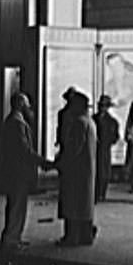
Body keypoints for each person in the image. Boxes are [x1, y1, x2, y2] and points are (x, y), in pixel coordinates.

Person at [0, 92, 52, 251]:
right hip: (18, 172)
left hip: (14, 170)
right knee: (17, 206)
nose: (29, 108)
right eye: (27, 104)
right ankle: (11, 240)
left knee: (16, 205)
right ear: (21, 104)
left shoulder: (14, 121)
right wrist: (43, 162)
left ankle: (14, 238)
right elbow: (24, 150)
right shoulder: (17, 123)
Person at [54, 90, 98, 246]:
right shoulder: (90, 122)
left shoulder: (79, 123)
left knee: (73, 204)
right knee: (85, 205)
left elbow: (74, 148)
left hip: (75, 171)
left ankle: (71, 237)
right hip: (87, 170)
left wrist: (60, 162)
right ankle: (86, 235)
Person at [93, 94, 120, 203]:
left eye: (104, 106)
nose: (102, 108)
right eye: (101, 106)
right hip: (95, 149)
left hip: (105, 148)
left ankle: (102, 193)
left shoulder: (112, 121)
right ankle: (96, 193)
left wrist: (109, 141)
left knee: (104, 172)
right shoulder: (93, 119)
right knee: (96, 171)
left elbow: (115, 136)